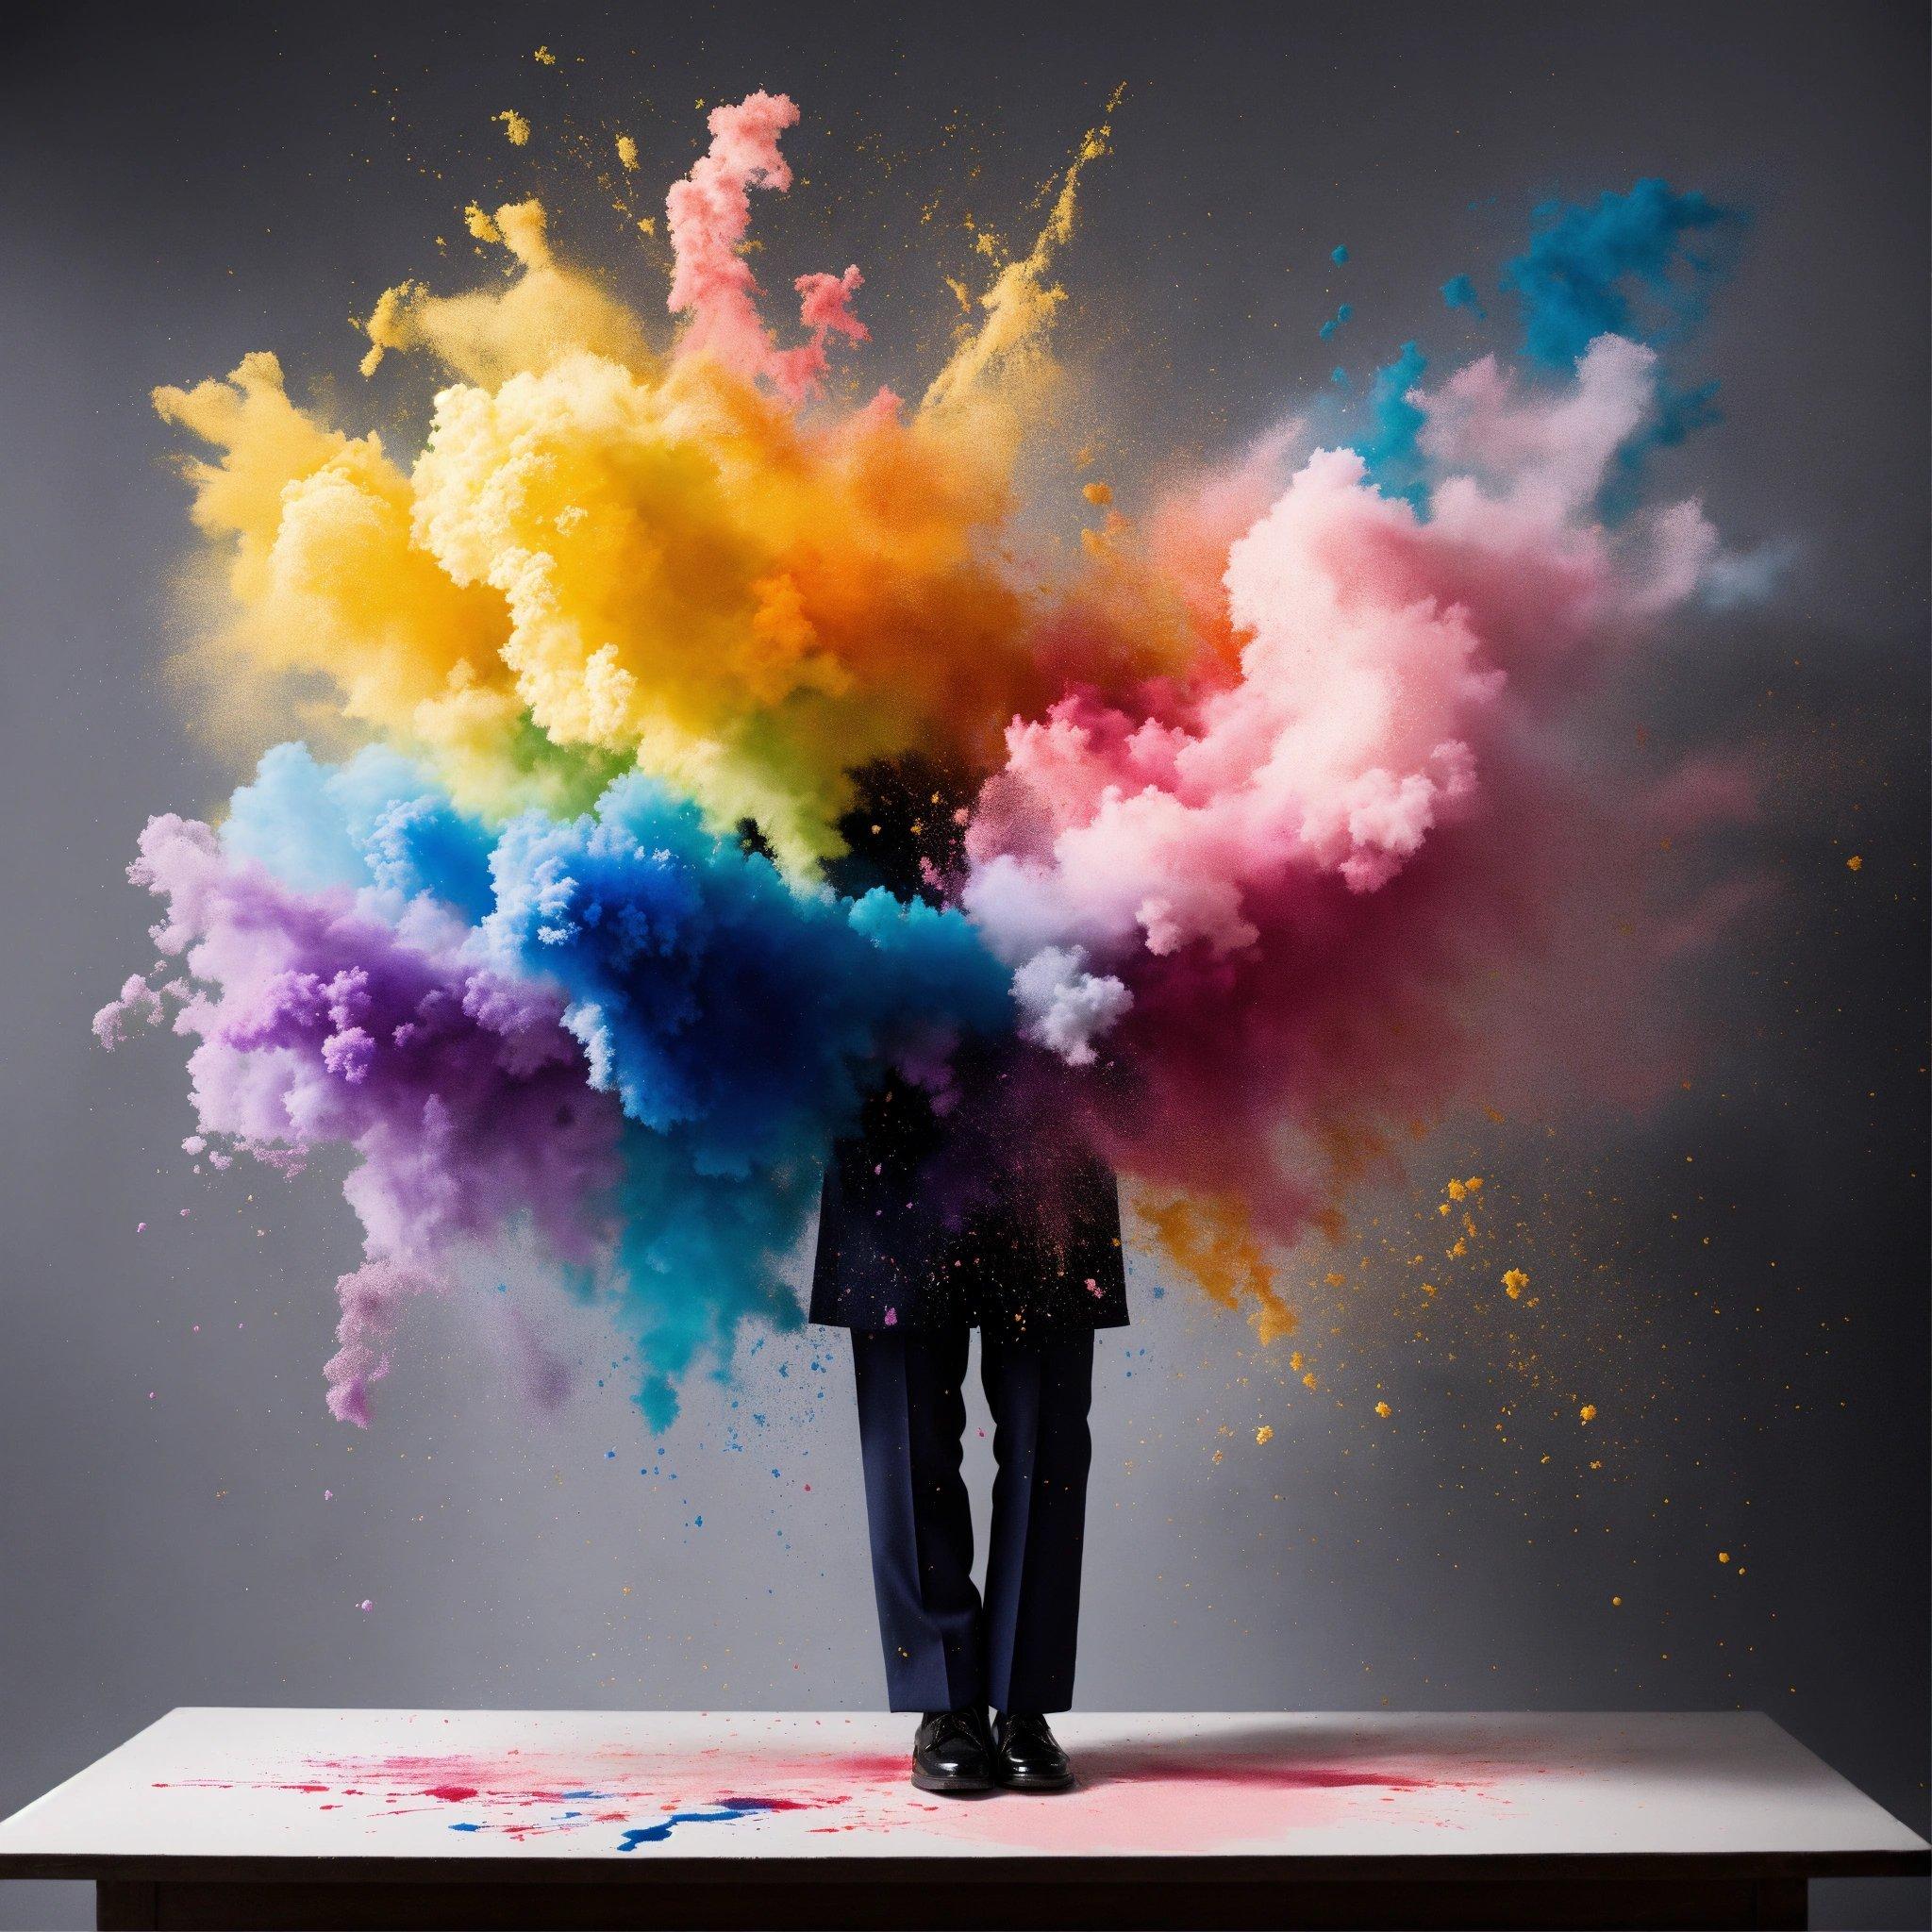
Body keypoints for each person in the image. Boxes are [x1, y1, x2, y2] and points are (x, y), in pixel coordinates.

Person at [808, 759, 1127, 1794]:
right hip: (892, 1115)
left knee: (1046, 1435)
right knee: (908, 1433)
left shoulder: (1072, 717)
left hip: (1043, 1110)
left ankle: (1023, 1704)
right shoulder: (816, 720)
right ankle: (943, 1705)